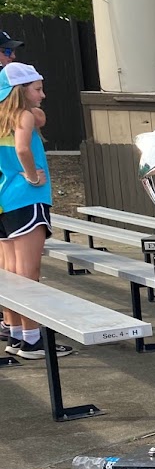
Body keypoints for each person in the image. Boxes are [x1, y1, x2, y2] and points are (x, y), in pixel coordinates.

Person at [0, 63, 70, 359]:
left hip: (4, 200)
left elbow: (41, 117)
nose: (42, 94)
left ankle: (16, 334)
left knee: (10, 271)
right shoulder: (23, 115)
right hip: (26, 199)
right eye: (37, 89)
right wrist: (30, 174)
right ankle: (32, 340)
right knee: (28, 272)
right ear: (21, 91)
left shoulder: (6, 116)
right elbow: (23, 149)